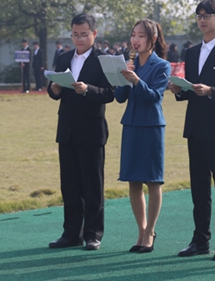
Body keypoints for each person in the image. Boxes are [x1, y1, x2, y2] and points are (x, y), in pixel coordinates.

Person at [169, 0, 215, 261]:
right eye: (198, 15)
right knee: (199, 188)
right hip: (195, 127)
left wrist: (211, 91)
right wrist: (179, 90)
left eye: (206, 15)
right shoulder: (191, 52)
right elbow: (190, 90)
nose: (201, 19)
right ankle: (200, 240)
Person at [47, 13, 114, 251]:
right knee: (70, 185)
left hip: (92, 129)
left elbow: (110, 93)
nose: (79, 39)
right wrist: (54, 88)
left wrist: (88, 89)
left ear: (94, 34)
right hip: (66, 129)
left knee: (93, 185)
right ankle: (71, 233)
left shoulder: (104, 59)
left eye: (84, 34)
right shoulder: (64, 57)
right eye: (75, 34)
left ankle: (93, 234)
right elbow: (55, 91)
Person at [115, 19, 171, 254]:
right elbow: (119, 97)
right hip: (131, 125)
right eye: (133, 35)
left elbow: (154, 97)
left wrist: (137, 80)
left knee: (153, 181)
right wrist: (122, 77)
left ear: (153, 39)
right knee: (133, 181)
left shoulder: (162, 66)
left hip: (151, 126)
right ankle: (141, 230)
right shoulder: (130, 63)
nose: (135, 40)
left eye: (141, 36)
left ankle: (150, 232)